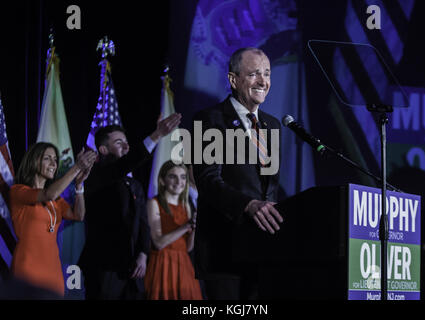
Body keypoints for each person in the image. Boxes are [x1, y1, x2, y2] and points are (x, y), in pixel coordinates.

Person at [192, 47, 283, 299]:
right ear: (233, 79)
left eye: (266, 74)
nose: (263, 81)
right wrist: (248, 205)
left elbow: (269, 187)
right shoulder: (209, 120)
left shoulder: (272, 125)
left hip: (262, 251)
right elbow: (208, 180)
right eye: (254, 74)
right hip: (224, 250)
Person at [79, 113, 181, 300]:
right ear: (103, 149)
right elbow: (124, 165)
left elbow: (143, 221)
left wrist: (143, 253)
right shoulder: (96, 175)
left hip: (134, 269)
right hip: (105, 267)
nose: (126, 146)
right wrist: (156, 135)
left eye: (126, 141)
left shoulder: (133, 183)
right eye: (119, 143)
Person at [9, 142, 96, 297]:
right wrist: (76, 167)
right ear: (34, 161)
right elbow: (48, 194)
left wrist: (79, 184)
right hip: (28, 271)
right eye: (47, 158)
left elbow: (78, 215)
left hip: (53, 273)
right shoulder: (19, 191)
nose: (53, 164)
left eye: (55, 159)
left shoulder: (56, 201)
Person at [144, 160, 202, 299]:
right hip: (162, 265)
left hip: (183, 266)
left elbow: (188, 247)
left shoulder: (186, 206)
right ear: (163, 180)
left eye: (183, 177)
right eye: (172, 176)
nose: (178, 181)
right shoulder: (154, 203)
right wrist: (186, 226)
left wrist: (194, 228)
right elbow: (158, 243)